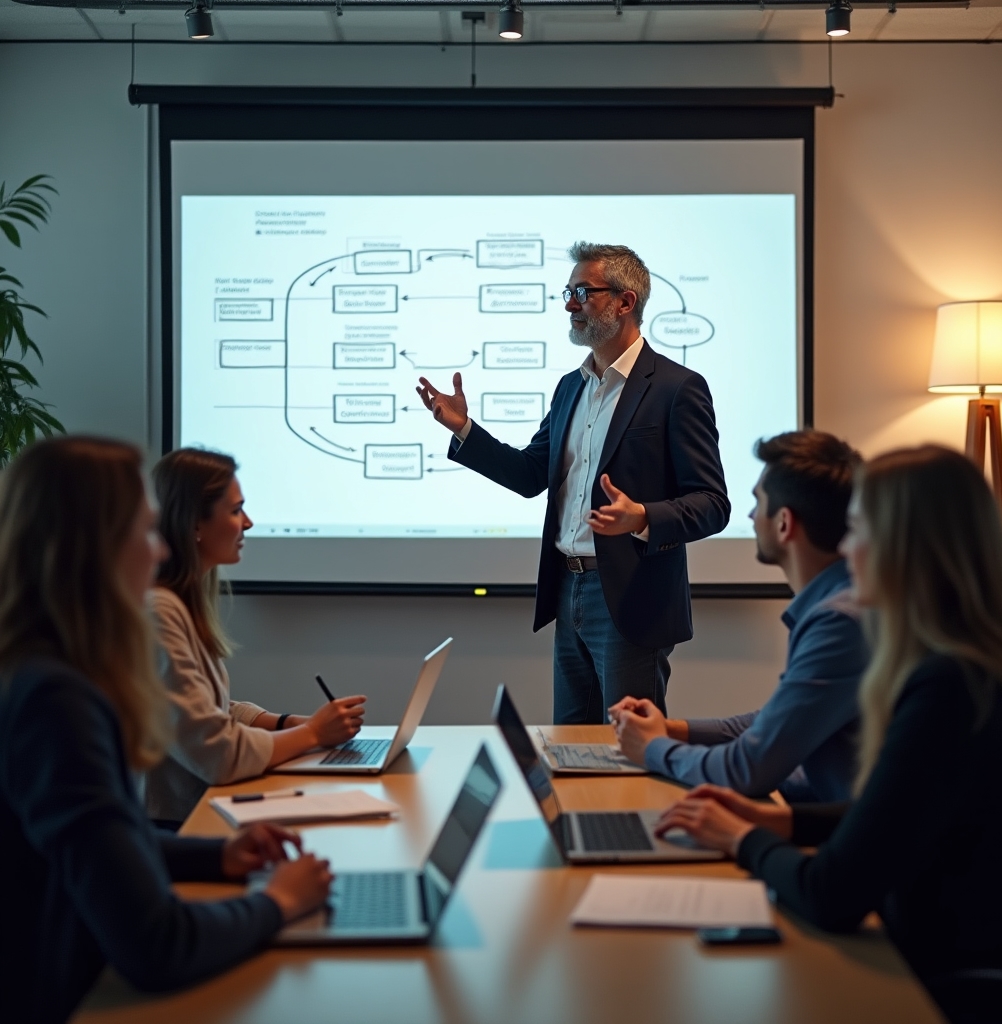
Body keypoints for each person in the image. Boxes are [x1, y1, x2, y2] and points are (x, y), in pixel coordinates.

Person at [656, 446, 1002, 1024]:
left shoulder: (946, 689)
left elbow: (832, 894)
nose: (846, 552)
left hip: (941, 985)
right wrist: (786, 822)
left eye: (857, 531)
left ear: (904, 549)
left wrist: (740, 839)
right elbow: (900, 812)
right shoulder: (971, 670)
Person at [0, 437, 333, 1024]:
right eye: (148, 531)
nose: (158, 553)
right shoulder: (55, 701)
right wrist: (279, 902)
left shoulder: (43, 672)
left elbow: (96, 848)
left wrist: (218, 858)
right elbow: (158, 943)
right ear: (94, 547)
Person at [417, 242, 730, 723]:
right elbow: (528, 476)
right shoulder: (570, 387)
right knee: (571, 750)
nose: (569, 304)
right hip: (569, 587)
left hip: (630, 598)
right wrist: (464, 430)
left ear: (625, 302)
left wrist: (643, 517)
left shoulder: (676, 388)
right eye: (568, 292)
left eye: (582, 292)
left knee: (627, 752)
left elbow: (712, 503)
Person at [610, 430, 869, 801]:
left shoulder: (839, 622)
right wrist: (667, 729)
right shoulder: (841, 602)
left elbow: (745, 770)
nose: (749, 515)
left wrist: (651, 748)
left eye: (757, 502)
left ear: (783, 523)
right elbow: (771, 722)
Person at [145, 447, 367, 827]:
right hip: (179, 831)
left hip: (204, 812)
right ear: (194, 524)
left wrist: (289, 723)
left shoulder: (181, 603)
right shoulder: (159, 613)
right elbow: (220, 754)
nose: (247, 523)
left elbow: (215, 709)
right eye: (235, 511)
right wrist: (313, 733)